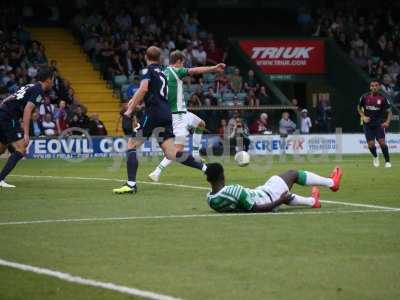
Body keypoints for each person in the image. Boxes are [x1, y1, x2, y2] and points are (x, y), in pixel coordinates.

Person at [113, 46, 208, 194]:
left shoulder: (148, 71)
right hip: (166, 113)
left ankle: (131, 184)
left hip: (153, 113)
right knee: (172, 152)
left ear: (146, 57)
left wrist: (131, 109)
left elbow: (144, 89)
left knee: (131, 145)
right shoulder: (163, 72)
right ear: (160, 58)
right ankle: (205, 168)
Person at [148, 50, 225, 182]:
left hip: (181, 112)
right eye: (183, 63)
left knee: (201, 124)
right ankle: (157, 171)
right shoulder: (176, 71)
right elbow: (194, 71)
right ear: (178, 61)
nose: (184, 66)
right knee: (177, 150)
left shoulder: (163, 73)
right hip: (178, 116)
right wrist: (213, 68)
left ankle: (195, 153)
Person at [205, 163, 343, 213]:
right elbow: (255, 209)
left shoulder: (210, 199)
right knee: (292, 174)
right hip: (267, 198)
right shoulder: (233, 191)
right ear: (222, 176)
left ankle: (313, 202)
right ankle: (332, 183)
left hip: (261, 193)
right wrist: (279, 201)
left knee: (280, 189)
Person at [0, 67, 54, 188]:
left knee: (2, 148)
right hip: (9, 117)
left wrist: (3, 104)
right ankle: (0, 179)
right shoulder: (39, 91)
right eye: (53, 79)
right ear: (48, 80)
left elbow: (12, 96)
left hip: (3, 113)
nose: (53, 82)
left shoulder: (30, 85)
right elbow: (27, 109)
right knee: (22, 147)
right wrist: (26, 133)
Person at [357, 79, 392, 168]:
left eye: (376, 85)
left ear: (379, 87)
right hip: (367, 124)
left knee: (382, 143)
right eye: (372, 86)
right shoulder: (364, 97)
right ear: (370, 87)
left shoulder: (383, 98)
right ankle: (375, 157)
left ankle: (387, 161)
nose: (374, 87)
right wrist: (363, 117)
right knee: (371, 144)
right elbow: (358, 108)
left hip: (378, 124)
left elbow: (390, 112)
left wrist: (387, 122)